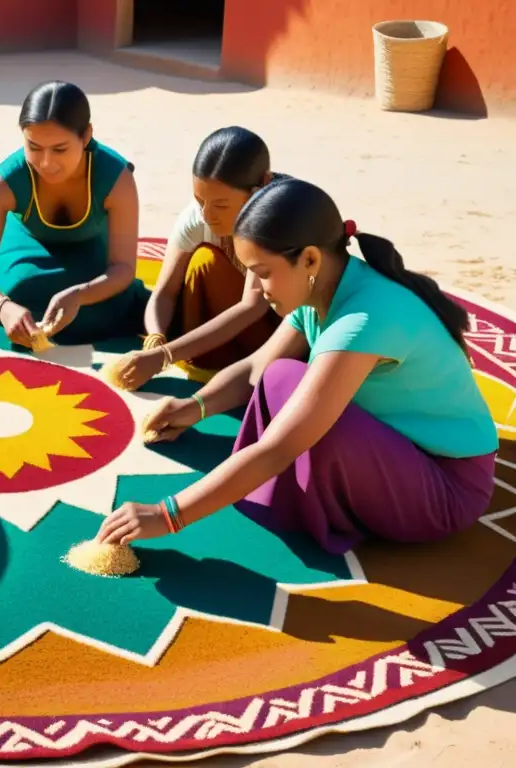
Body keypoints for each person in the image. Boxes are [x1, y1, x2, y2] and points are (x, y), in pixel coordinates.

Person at [96, 177, 498, 555]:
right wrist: (195, 407)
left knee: (299, 399)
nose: (258, 290)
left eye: (262, 274)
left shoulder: (362, 319)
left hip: (447, 488)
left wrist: (168, 514)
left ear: (308, 259)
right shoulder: (326, 286)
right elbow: (256, 368)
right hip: (402, 454)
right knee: (280, 376)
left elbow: (280, 447)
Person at [0, 80, 150, 347]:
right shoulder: (11, 179)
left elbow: (123, 268)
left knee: (113, 304)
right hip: (28, 246)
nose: (46, 163)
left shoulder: (115, 178)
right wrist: (4, 309)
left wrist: (80, 295)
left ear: (86, 136)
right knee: (20, 292)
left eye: (60, 149)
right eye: (34, 147)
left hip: (91, 247)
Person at [113, 127, 283, 390]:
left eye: (221, 205)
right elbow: (164, 293)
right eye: (199, 200)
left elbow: (252, 305)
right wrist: (155, 339)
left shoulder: (278, 215)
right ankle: (206, 362)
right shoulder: (197, 216)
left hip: (281, 332)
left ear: (262, 185)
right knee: (204, 260)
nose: (207, 215)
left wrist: (165, 356)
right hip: (223, 332)